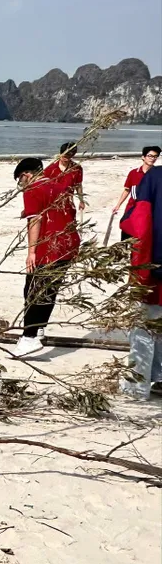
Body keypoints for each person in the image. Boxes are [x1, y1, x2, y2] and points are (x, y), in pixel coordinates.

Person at [12, 156, 80, 358]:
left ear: (27, 175)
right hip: (68, 243)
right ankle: (39, 329)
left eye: (20, 180)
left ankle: (29, 337)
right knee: (50, 289)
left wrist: (31, 251)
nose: (21, 185)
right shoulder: (58, 186)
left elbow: (35, 221)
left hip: (49, 246)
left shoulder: (33, 188)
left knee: (33, 290)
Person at [120, 165, 162, 398]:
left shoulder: (154, 177)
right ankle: (158, 377)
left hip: (154, 265)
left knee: (145, 325)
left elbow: (138, 221)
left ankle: (137, 386)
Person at [114, 145, 160, 240]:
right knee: (126, 229)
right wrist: (118, 205)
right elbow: (127, 189)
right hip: (133, 207)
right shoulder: (134, 173)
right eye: (150, 156)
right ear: (143, 157)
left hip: (149, 208)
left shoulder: (157, 174)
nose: (152, 158)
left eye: (155, 156)